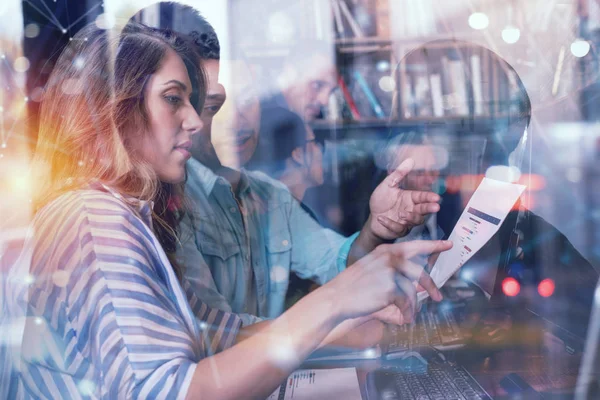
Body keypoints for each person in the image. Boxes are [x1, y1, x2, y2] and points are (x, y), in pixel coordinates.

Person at [5, 21, 454, 399]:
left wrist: (347, 317)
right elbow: (178, 389)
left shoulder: (129, 213)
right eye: (173, 98)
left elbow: (220, 334)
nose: (197, 121)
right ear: (115, 108)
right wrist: (336, 301)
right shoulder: (94, 219)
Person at [132, 3, 444, 325]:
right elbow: (215, 337)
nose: (240, 120)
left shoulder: (268, 196)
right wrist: (337, 319)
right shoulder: (165, 204)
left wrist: (377, 229)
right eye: (215, 106)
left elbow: (334, 261)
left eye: (250, 98)